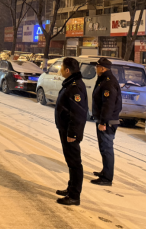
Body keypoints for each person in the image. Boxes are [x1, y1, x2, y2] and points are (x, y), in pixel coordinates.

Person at [54, 57, 88, 206]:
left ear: (67, 70)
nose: (60, 70)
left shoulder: (75, 87)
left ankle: (74, 196)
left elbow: (78, 113)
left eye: (62, 68)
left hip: (71, 132)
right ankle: (71, 188)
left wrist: (72, 133)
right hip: (66, 129)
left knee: (75, 163)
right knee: (71, 162)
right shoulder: (71, 83)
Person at [91, 57, 122, 186]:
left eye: (97, 67)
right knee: (103, 148)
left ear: (103, 68)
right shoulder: (103, 80)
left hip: (108, 122)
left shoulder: (108, 82)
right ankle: (105, 171)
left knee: (107, 148)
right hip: (105, 120)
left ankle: (107, 178)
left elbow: (108, 104)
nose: (96, 69)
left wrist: (103, 122)